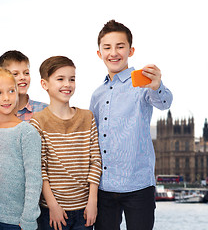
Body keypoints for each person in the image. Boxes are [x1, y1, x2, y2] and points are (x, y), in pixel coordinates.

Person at [89, 20, 173, 230]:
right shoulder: (97, 94)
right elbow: (92, 136)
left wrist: (157, 86)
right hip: (105, 186)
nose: (114, 53)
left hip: (138, 184)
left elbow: (164, 102)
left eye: (120, 46)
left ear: (130, 50)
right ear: (99, 53)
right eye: (107, 47)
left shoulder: (142, 82)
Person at [30, 56, 102, 230]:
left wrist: (92, 201)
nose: (67, 84)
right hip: (52, 211)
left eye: (72, 79)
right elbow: (40, 168)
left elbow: (95, 161)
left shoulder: (87, 117)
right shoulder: (38, 121)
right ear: (44, 84)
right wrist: (53, 205)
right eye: (60, 79)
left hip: (84, 209)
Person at [0, 67, 42, 230]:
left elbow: (34, 178)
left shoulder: (27, 132)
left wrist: (28, 219)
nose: (6, 98)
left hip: (19, 221)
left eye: (11, 91)